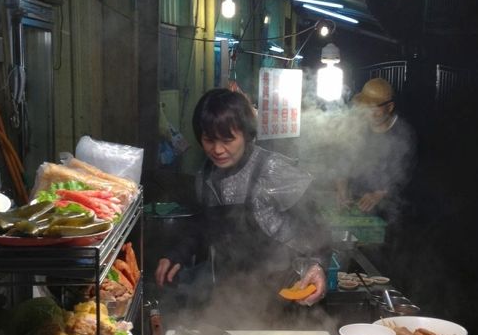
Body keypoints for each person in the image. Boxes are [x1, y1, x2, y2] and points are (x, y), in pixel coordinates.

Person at [155, 88, 329, 308]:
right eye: (209, 139)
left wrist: (318, 265)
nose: (217, 149)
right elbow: (202, 225)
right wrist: (176, 254)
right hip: (233, 297)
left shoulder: (272, 170)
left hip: (287, 295)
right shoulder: (206, 176)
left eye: (227, 139)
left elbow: (317, 225)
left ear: (246, 134)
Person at [336, 77, 416, 219]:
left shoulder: (403, 134)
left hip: (390, 208)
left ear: (389, 107)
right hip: (356, 202)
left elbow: (406, 176)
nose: (370, 113)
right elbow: (343, 160)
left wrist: (380, 193)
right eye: (367, 107)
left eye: (376, 107)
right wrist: (342, 192)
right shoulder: (358, 128)